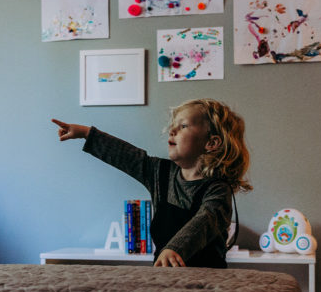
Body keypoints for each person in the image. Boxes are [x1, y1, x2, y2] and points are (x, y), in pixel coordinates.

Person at [52, 98, 251, 268]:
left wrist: (174, 248)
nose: (172, 130)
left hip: (207, 279)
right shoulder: (160, 172)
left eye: (183, 126)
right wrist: (87, 133)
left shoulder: (217, 189)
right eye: (174, 125)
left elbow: (205, 221)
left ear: (212, 143)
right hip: (164, 273)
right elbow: (126, 156)